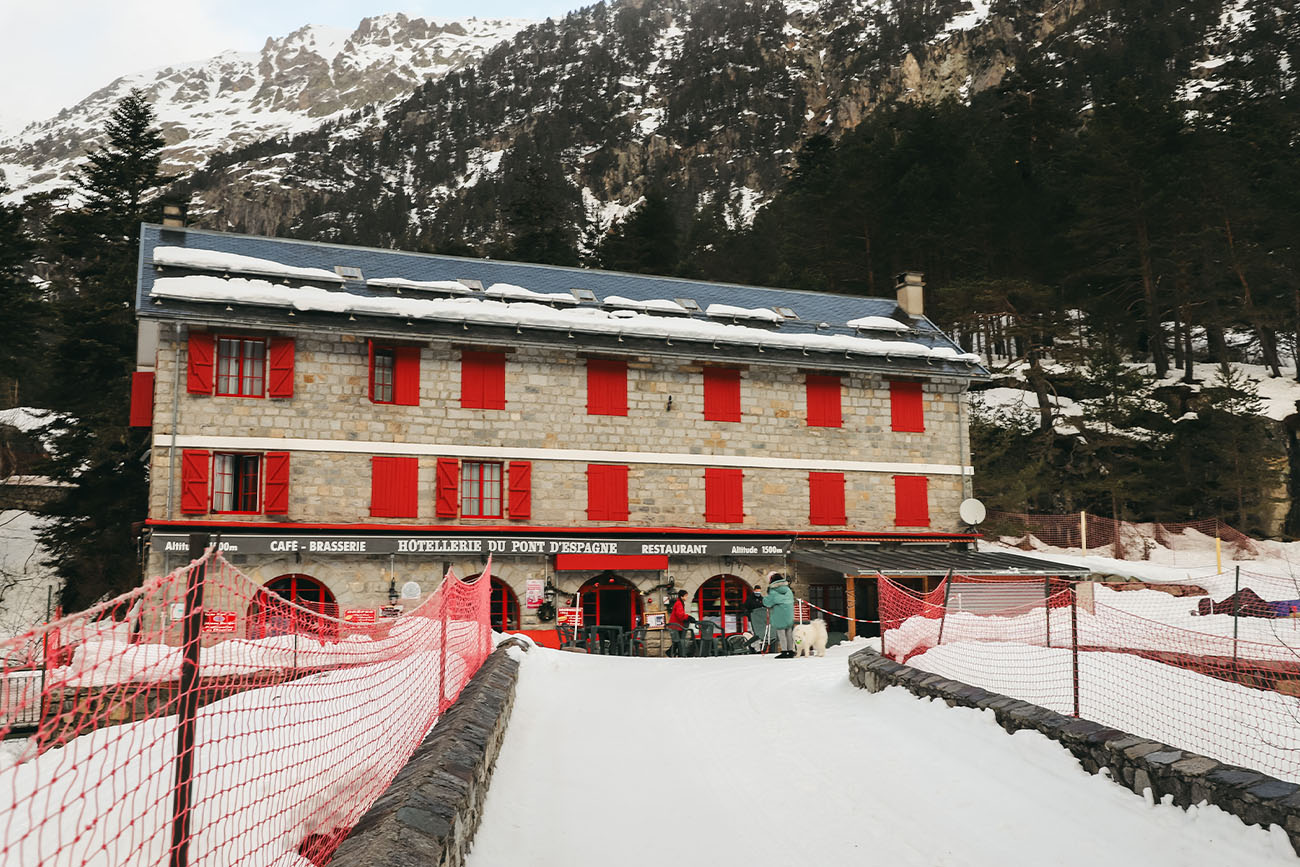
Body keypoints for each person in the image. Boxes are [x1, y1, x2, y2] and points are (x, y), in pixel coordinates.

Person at [762, 571, 796, 659]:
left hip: (779, 614)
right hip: (789, 613)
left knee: (781, 633)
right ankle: (790, 650)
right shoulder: (788, 589)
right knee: (789, 632)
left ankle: (784, 651)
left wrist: (764, 599)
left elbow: (768, 602)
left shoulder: (773, 590)